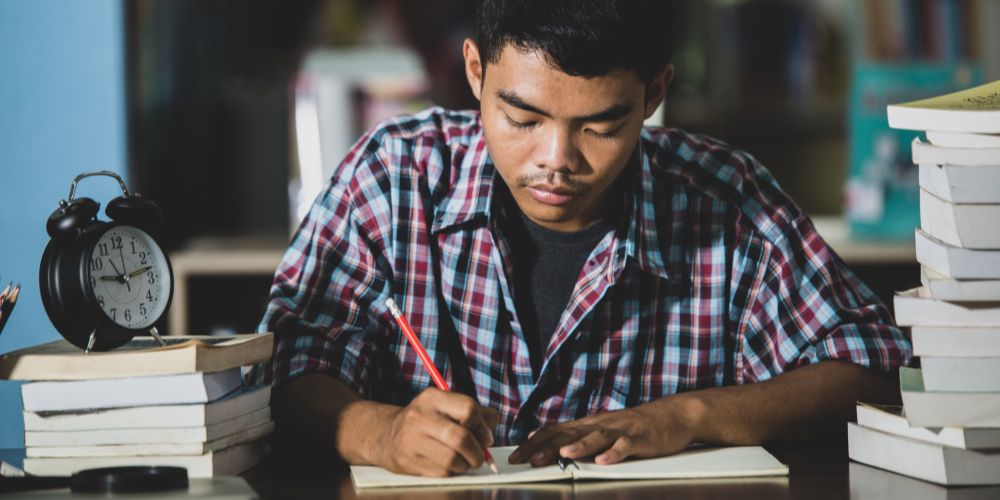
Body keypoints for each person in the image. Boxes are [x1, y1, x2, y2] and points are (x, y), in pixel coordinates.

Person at [248, 0, 912, 478]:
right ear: (476, 73)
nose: (557, 160)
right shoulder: (393, 178)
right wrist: (382, 432)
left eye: (600, 125)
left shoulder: (726, 200)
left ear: (653, 93)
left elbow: (869, 366)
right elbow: (287, 367)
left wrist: (687, 417)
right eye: (522, 118)